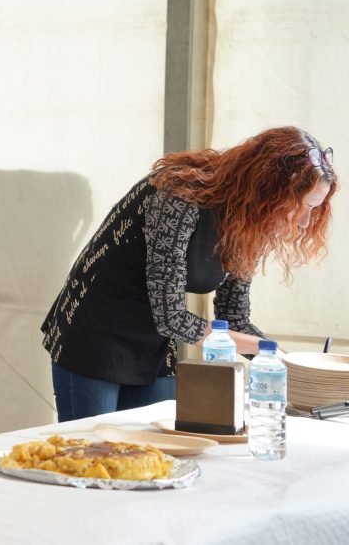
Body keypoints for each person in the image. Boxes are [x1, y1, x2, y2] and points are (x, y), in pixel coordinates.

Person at [41, 127, 337, 422]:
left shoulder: (251, 224)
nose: (305, 222)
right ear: (269, 189)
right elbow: (171, 316)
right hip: (94, 331)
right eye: (303, 206)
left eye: (314, 209)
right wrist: (266, 351)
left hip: (154, 342)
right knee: (90, 446)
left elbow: (235, 319)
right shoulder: (176, 196)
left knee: (155, 445)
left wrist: (286, 362)